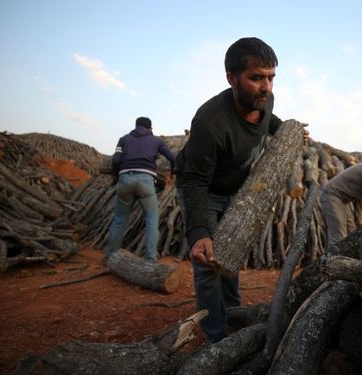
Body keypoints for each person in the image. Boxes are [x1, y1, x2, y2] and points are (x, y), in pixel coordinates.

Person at [175, 37, 307, 343]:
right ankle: (216, 338)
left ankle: (232, 317)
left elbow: (265, 122)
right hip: (204, 189)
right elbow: (194, 181)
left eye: (271, 77)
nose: (266, 87)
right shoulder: (210, 122)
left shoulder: (264, 100)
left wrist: (285, 130)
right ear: (231, 78)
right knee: (209, 264)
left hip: (235, 188)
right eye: (256, 78)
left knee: (230, 257)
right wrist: (199, 233)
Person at [105, 116, 176, 263]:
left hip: (125, 179)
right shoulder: (156, 141)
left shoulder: (123, 139)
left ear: (136, 126)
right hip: (145, 180)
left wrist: (116, 176)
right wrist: (173, 172)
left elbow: (116, 160)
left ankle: (110, 257)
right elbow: (172, 157)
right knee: (151, 218)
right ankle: (150, 259)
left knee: (119, 219)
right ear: (150, 128)